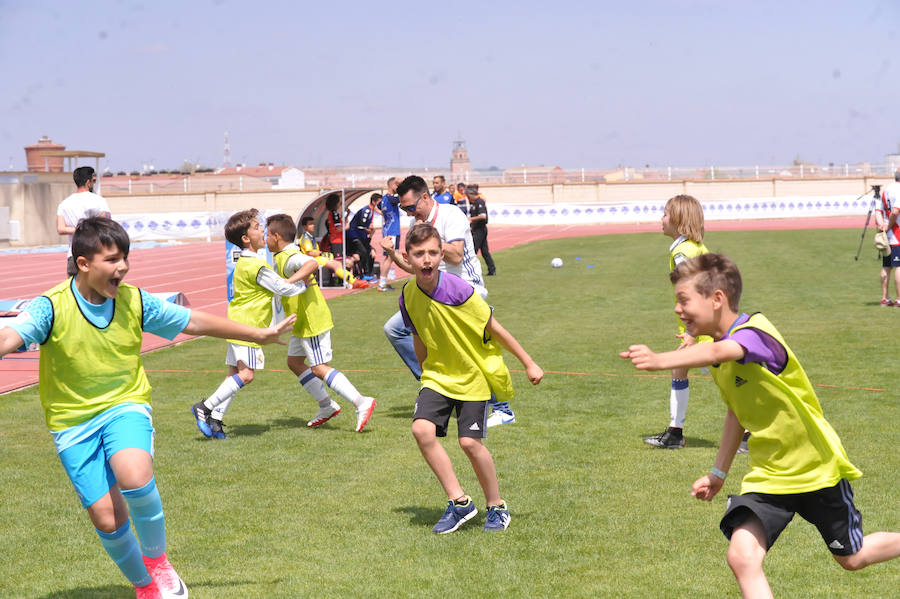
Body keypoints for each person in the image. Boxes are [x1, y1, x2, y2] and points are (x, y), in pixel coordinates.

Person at [0, 216, 296, 599]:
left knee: (134, 476)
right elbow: (10, 333)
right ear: (84, 263)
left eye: (125, 257)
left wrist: (258, 333)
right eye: (111, 259)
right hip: (71, 423)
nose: (121, 267)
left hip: (125, 404)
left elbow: (193, 321)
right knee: (108, 518)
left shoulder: (134, 300)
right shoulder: (51, 307)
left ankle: (159, 563)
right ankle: (145, 587)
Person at [620, 252, 900, 599]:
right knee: (741, 557)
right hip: (770, 475)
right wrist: (717, 473)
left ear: (717, 299)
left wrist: (661, 360)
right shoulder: (714, 347)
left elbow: (724, 353)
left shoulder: (756, 334)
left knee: (852, 558)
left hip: (815, 470)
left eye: (684, 299)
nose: (677, 309)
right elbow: (737, 411)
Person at [400, 223, 542, 533]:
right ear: (407, 258)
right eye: (419, 253)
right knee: (422, 431)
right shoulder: (407, 294)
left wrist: (528, 362)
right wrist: (424, 373)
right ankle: (460, 502)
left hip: (473, 376)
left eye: (433, 253)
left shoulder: (459, 290)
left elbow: (495, 328)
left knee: (469, 443)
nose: (426, 260)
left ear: (442, 256)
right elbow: (419, 335)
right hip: (437, 377)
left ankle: (496, 506)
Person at [382, 175, 516, 427]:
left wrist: (429, 244)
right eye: (404, 209)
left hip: (466, 291)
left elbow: (454, 256)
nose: (410, 212)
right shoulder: (417, 226)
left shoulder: (450, 215)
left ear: (424, 197)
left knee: (474, 348)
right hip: (437, 293)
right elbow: (416, 268)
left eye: (412, 207)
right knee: (395, 329)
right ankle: (434, 386)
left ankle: (502, 408)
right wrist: (393, 254)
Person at [191, 209, 313, 439]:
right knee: (246, 375)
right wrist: (305, 284)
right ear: (246, 238)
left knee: (234, 374)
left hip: (238, 322)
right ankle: (205, 407)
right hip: (248, 326)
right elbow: (283, 288)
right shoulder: (255, 265)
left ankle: (215, 420)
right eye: (257, 228)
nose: (262, 231)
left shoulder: (249, 262)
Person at [266, 213, 376, 432]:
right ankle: (326, 406)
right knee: (294, 362)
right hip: (302, 321)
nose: (265, 239)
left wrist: (288, 282)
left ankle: (360, 401)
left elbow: (310, 263)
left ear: (276, 236)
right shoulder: (283, 255)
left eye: (267, 235)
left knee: (319, 367)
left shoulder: (289, 256)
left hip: (311, 319)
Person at [643, 194, 709, 449]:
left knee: (730, 383)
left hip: (703, 330)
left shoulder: (683, 253)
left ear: (679, 220)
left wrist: (693, 331)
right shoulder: (692, 247)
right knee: (678, 369)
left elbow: (696, 292)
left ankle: (748, 434)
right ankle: (674, 432)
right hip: (702, 328)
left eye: (666, 214)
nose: (661, 219)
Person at [57, 166, 111, 276]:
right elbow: (107, 224)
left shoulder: (64, 204)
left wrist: (79, 229)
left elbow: (61, 229)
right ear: (88, 182)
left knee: (73, 290)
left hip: (74, 255)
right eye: (93, 181)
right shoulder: (98, 201)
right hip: (95, 253)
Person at [298, 216, 368, 289]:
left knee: (340, 263)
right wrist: (321, 253)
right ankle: (352, 282)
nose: (313, 226)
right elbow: (310, 253)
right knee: (337, 264)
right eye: (310, 224)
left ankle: (352, 281)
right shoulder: (305, 238)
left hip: (317, 258)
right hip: (312, 259)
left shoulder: (310, 237)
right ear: (305, 227)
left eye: (313, 224)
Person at [877, 170, 900, 305]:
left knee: (886, 266)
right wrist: (890, 226)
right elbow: (895, 211)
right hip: (897, 233)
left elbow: (878, 211)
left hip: (888, 235)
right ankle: (899, 299)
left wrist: (883, 226)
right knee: (899, 266)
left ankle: (884, 298)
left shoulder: (886, 190)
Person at [377, 176, 402, 292]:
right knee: (390, 257)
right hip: (392, 230)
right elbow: (403, 198)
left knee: (390, 257)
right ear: (392, 185)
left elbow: (378, 208)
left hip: (388, 229)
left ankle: (384, 281)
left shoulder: (383, 199)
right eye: (397, 186)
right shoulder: (391, 199)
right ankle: (382, 283)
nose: (398, 188)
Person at [347, 193, 380, 281]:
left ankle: (368, 274)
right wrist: (368, 230)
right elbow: (361, 225)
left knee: (371, 252)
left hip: (360, 236)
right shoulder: (366, 211)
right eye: (379, 202)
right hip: (354, 236)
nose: (380, 205)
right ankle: (361, 275)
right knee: (363, 252)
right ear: (374, 202)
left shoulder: (371, 210)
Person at [467, 184, 496, 276]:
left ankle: (472, 271)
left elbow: (483, 216)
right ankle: (492, 270)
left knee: (473, 250)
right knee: (484, 251)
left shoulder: (479, 202)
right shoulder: (474, 203)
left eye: (468, 195)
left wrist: (470, 219)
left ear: (472, 194)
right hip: (478, 229)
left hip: (480, 229)